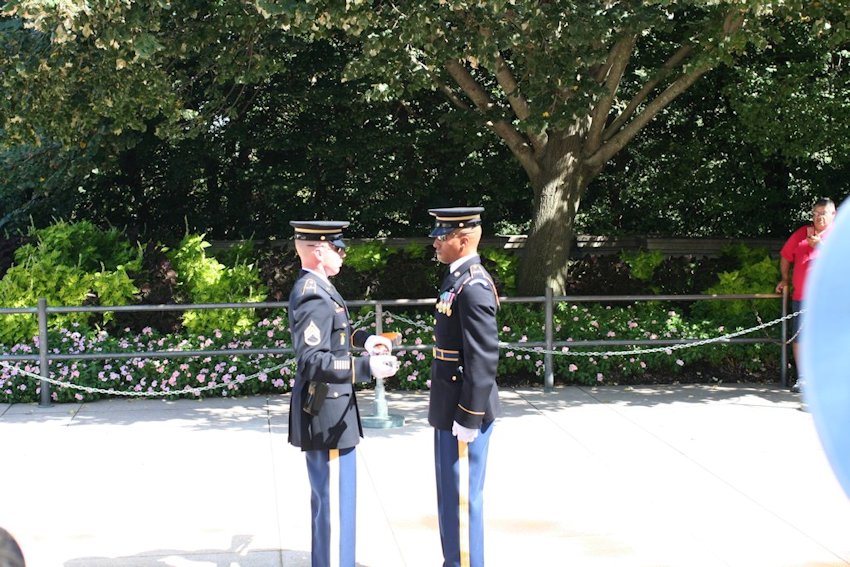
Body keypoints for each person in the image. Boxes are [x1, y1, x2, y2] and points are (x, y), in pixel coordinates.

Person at [287, 220, 399, 567]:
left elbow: (334, 335)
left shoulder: (321, 288)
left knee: (334, 499)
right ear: (320, 252)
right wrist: (366, 369)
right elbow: (311, 360)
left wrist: (365, 341)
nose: (343, 254)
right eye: (338, 248)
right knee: (334, 500)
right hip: (326, 412)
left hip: (331, 410)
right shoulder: (313, 294)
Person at [427, 207, 501, 567]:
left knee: (462, 499)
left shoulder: (472, 286)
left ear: (465, 238)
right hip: (449, 403)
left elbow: (483, 358)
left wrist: (470, 415)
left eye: (443, 235)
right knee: (450, 497)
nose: (436, 242)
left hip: (462, 409)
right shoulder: (456, 279)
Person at [775, 198, 837, 393]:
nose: (818, 218)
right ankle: (803, 378)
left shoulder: (839, 235)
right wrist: (784, 279)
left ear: (833, 215)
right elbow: (785, 256)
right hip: (801, 297)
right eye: (815, 214)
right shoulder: (803, 233)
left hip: (829, 299)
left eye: (823, 214)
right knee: (800, 338)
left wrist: (820, 246)